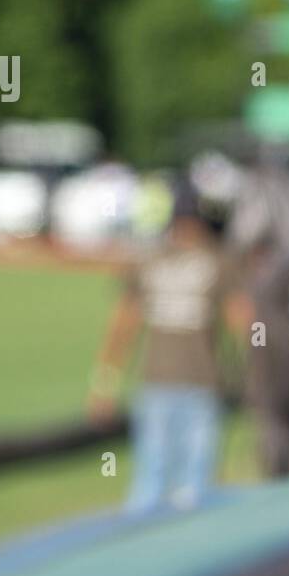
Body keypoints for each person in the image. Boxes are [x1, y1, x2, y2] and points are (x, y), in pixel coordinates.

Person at [87, 180, 227, 512]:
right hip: (168, 386)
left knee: (179, 488)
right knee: (163, 487)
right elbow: (124, 324)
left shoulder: (213, 262)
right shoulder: (158, 261)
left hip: (193, 385)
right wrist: (104, 381)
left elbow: (244, 321)